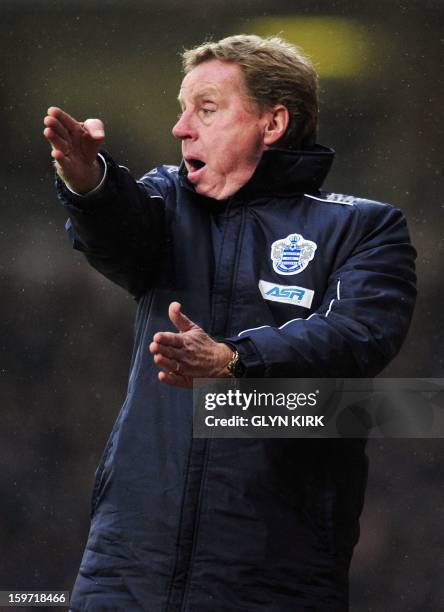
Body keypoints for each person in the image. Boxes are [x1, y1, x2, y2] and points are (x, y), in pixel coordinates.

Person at [43, 35, 416, 611]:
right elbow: (119, 235)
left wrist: (236, 359)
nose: (181, 128)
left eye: (206, 109)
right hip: (125, 564)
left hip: (273, 568)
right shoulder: (169, 201)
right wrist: (88, 182)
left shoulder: (365, 228)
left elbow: (357, 337)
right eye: (182, 108)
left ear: (273, 123)